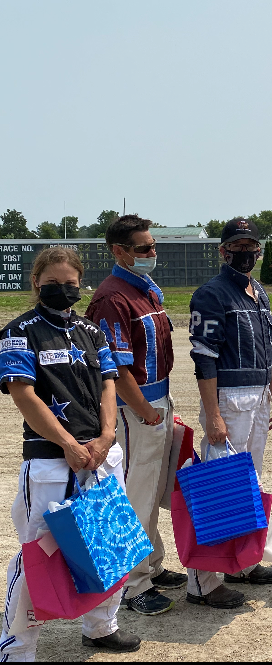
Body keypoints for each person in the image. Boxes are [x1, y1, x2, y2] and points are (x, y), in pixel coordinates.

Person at [88, 215, 239, 613]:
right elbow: (114, 367)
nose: (151, 253)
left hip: (157, 403)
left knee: (154, 492)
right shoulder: (111, 297)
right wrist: (143, 410)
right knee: (135, 494)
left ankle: (151, 565)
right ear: (118, 251)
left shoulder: (144, 290)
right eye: (143, 248)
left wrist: (160, 409)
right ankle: (132, 583)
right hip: (132, 409)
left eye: (153, 246)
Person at [0, 248, 141, 659]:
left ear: (81, 284)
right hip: (50, 461)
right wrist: (68, 443)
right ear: (36, 283)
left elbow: (109, 384)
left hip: (101, 456)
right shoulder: (18, 331)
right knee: (37, 556)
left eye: (70, 284)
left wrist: (107, 435)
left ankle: (101, 627)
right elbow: (22, 394)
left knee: (108, 544)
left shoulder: (91, 331)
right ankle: (17, 648)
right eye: (53, 284)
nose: (63, 290)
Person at [188, 217, 272, 596]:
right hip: (228, 399)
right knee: (221, 486)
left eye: (251, 245)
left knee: (250, 482)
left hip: (259, 396)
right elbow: (204, 357)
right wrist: (212, 414)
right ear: (223, 249)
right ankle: (203, 582)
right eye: (237, 245)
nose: (245, 252)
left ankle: (244, 563)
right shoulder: (211, 294)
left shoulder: (258, 291)